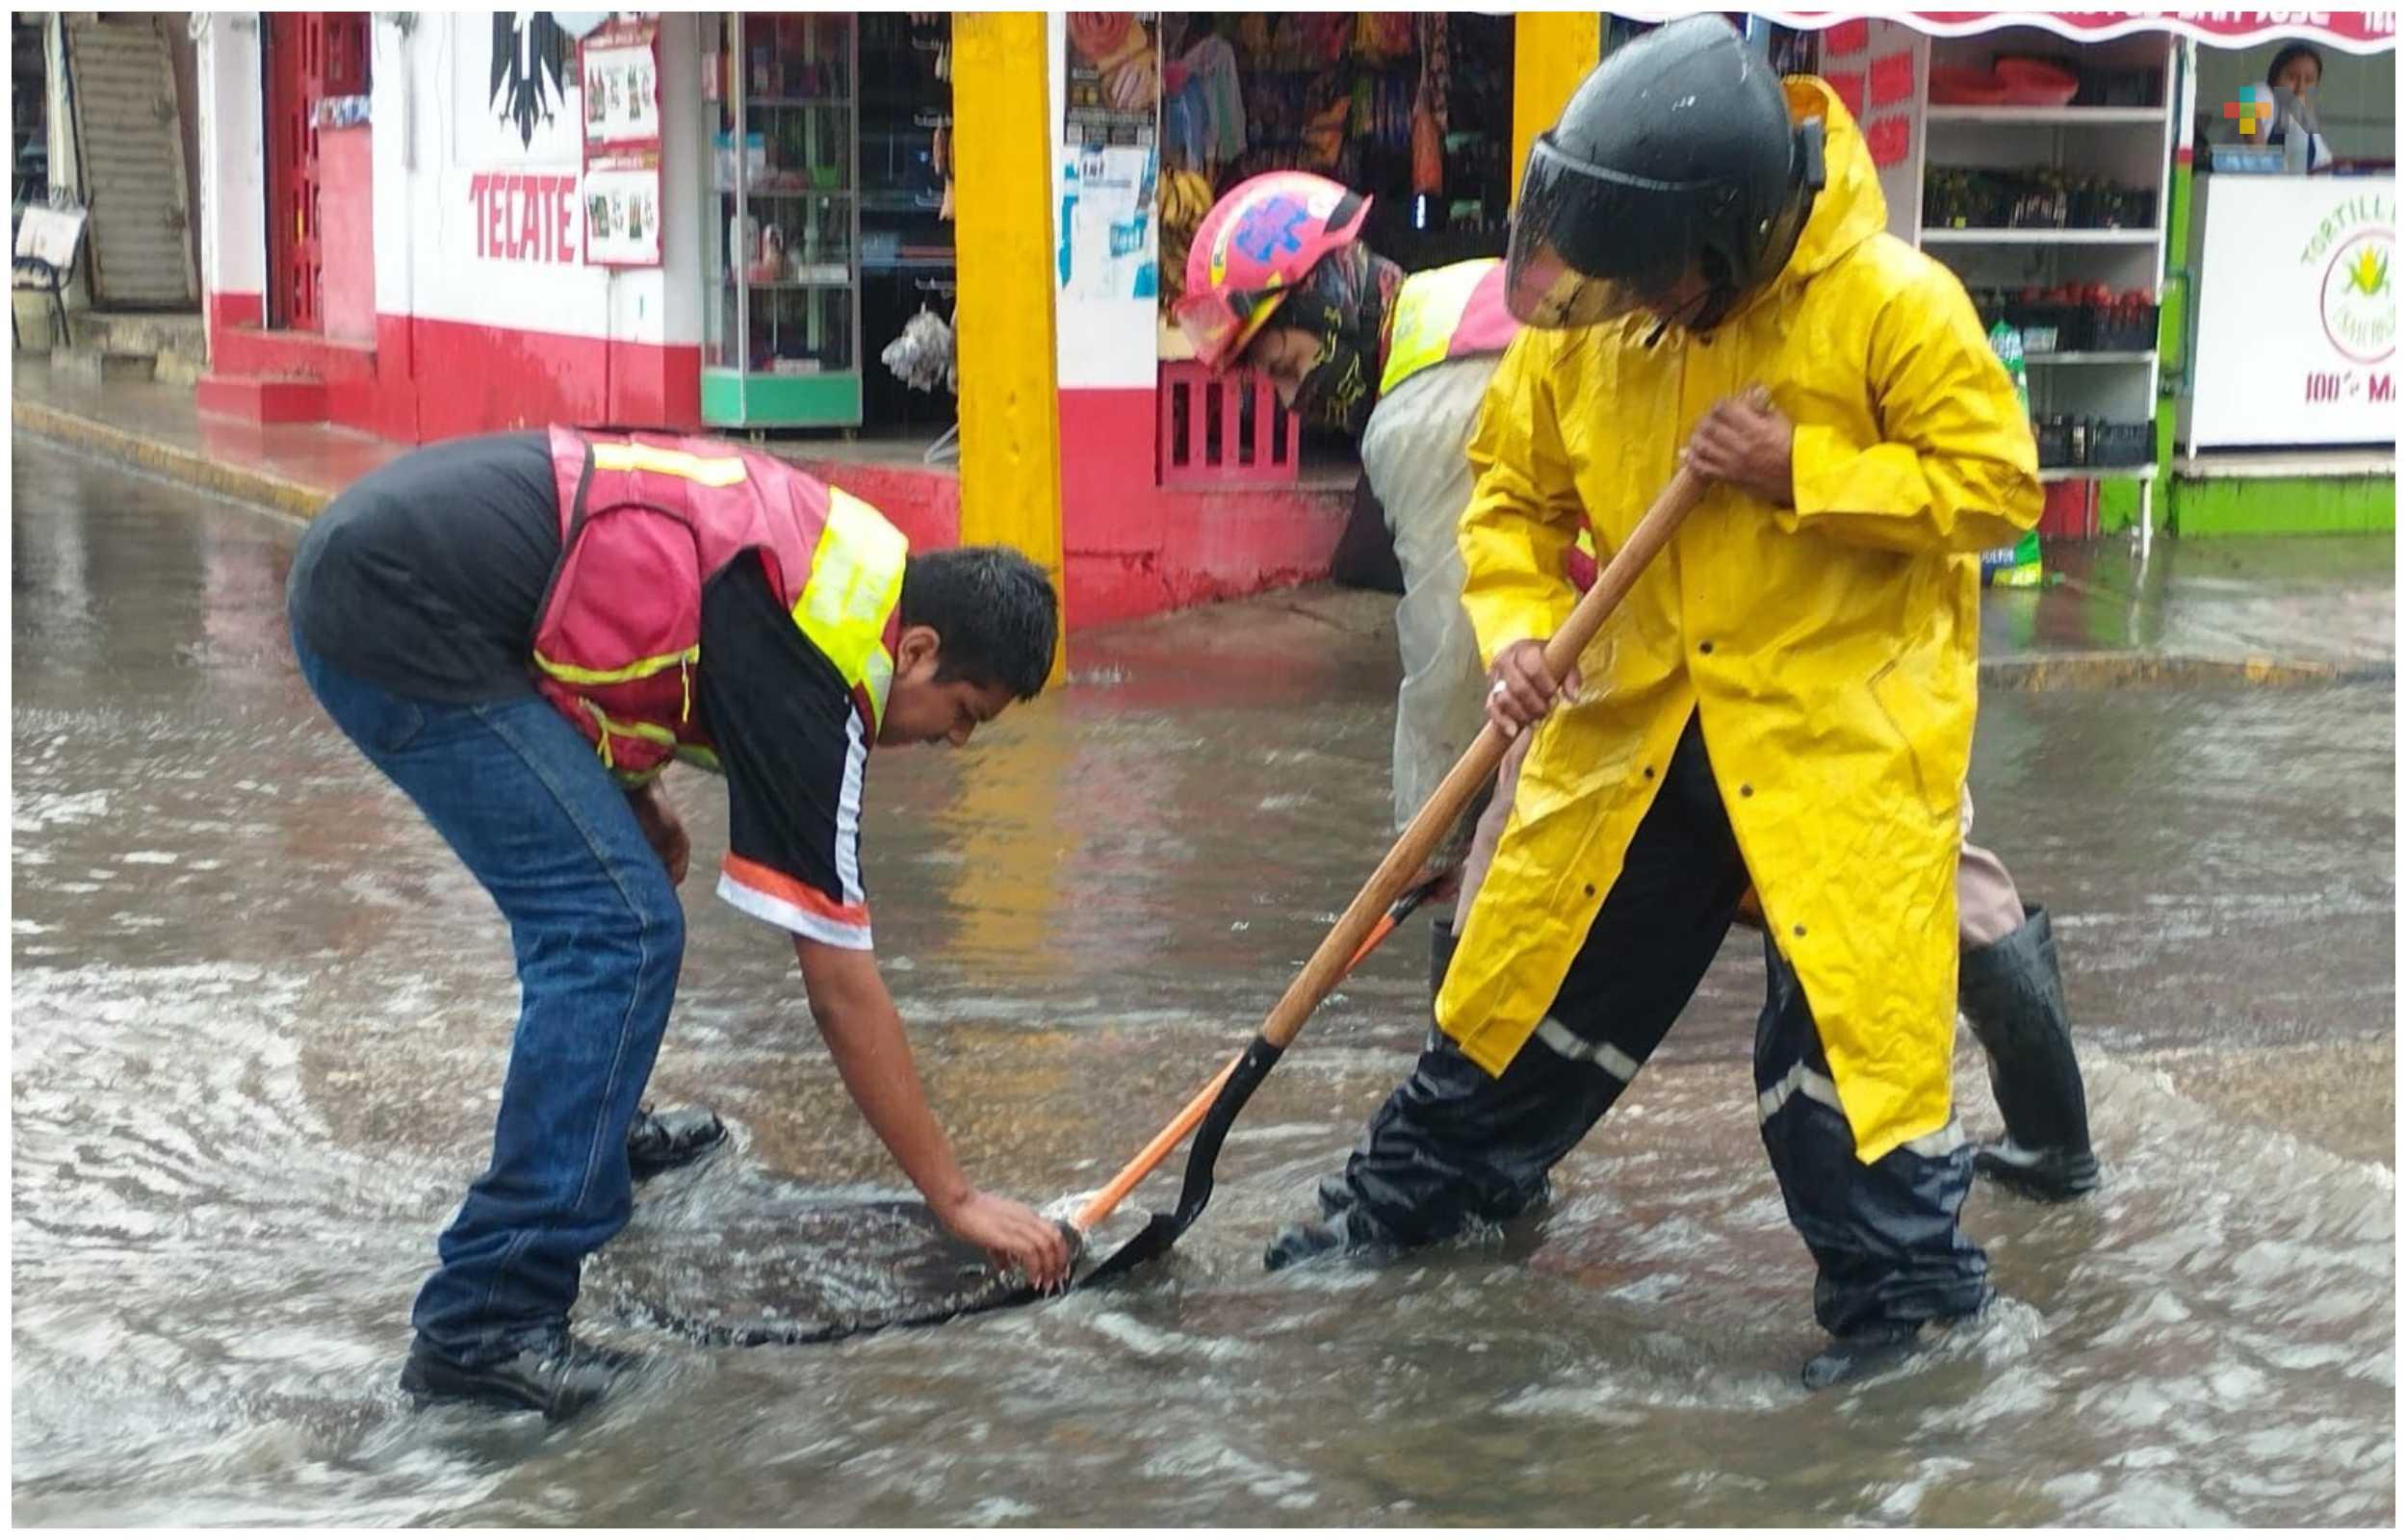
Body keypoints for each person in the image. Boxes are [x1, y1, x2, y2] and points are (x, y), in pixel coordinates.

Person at [1245, 14, 2045, 1389]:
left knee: (1840, 1066)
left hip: (1829, 747)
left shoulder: (1892, 305)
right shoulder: (1596, 320)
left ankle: (1911, 1323)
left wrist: (1809, 465)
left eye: (1653, 279)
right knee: (1521, 990)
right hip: (1640, 732)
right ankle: (1414, 1205)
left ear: (1723, 236)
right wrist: (1515, 634)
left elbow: (1996, 494)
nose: (1624, 308)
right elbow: (1507, 502)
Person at [1177, 169, 2096, 1208]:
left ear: (1328, 306)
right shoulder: (1508, 306)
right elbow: (1511, 533)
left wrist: (1424, 830)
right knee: (1942, 887)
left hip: (1718, 686)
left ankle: (1479, 1175)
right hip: (1722, 669)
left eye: (1288, 365)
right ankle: (2053, 1136)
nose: (1290, 397)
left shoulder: (1425, 409)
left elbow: (1446, 649)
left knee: (1500, 912)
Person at [286, 427, 1075, 1420]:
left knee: (629, 882)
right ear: (917, 650)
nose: (953, 741)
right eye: (963, 711)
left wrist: (632, 787)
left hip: (416, 569)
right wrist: (955, 1200)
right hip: (398, 610)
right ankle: (484, 1324)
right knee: (617, 929)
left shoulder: (848, 572)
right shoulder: (821, 668)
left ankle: (593, 1130)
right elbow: (838, 977)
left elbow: (645, 602)